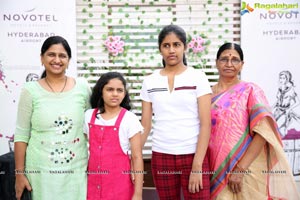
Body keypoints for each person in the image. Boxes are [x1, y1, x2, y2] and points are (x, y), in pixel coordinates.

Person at [209, 42, 300, 200]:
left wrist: (240, 169)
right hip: (214, 167)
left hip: (247, 169)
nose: (229, 64)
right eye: (224, 59)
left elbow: (263, 132)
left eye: (235, 60)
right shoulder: (207, 94)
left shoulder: (251, 90)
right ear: (216, 62)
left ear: (242, 65)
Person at [14, 36, 91, 200]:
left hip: (76, 171)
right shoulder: (30, 90)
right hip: (40, 174)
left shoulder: (83, 88)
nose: (57, 60)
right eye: (51, 55)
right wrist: (19, 174)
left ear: (69, 60)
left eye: (62, 56)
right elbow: (21, 135)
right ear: (42, 58)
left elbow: (92, 128)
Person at [140, 24, 212, 199]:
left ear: (185, 47)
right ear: (160, 49)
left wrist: (197, 166)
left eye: (176, 45)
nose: (171, 50)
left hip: (193, 154)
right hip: (161, 154)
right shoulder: (149, 81)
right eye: (166, 45)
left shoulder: (198, 77)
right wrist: (133, 156)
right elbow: (146, 126)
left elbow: (206, 124)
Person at [84, 71, 144, 200]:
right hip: (93, 186)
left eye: (120, 90)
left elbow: (137, 157)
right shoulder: (89, 116)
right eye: (110, 89)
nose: (115, 94)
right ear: (101, 91)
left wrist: (138, 194)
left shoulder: (129, 119)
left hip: (120, 187)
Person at [273, 70, 300, 137]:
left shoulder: (291, 90)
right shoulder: (280, 89)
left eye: (283, 78)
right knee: (271, 126)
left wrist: (289, 109)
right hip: (277, 111)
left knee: (279, 128)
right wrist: (271, 108)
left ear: (287, 79)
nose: (281, 79)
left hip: (285, 111)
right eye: (280, 78)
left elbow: (297, 102)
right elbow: (278, 101)